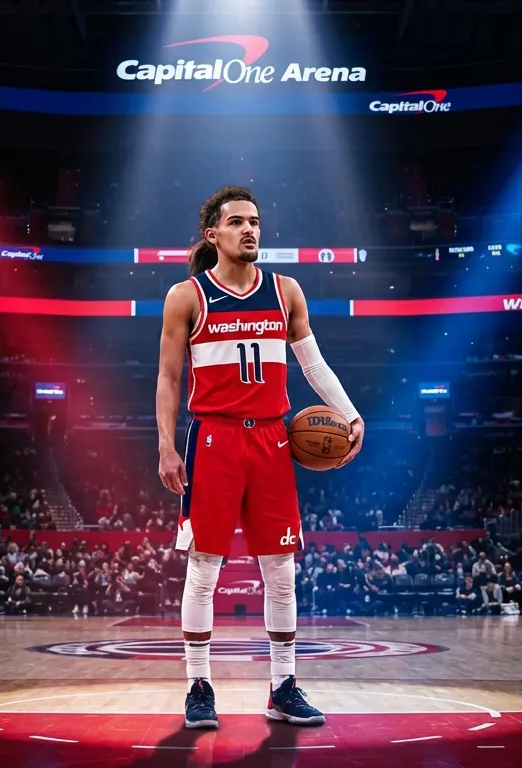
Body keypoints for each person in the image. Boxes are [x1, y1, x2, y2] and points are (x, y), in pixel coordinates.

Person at [156, 186, 365, 730]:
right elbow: (169, 378)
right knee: (204, 570)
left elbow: (312, 363)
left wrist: (349, 414)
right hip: (213, 439)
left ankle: (283, 686)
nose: (250, 229)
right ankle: (198, 686)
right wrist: (165, 445)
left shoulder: (285, 290)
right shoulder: (186, 296)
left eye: (254, 221)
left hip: (273, 439)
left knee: (281, 571)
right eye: (237, 222)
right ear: (213, 235)